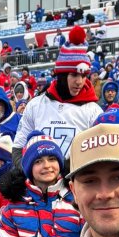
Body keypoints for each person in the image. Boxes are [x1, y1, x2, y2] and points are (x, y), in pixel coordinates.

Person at [12, 28, 103, 165]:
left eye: (84, 76)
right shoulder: (35, 105)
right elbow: (19, 147)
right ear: (61, 75)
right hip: (39, 182)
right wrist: (27, 175)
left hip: (74, 183)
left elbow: (99, 154)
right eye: (74, 75)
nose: (80, 81)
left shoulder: (93, 111)